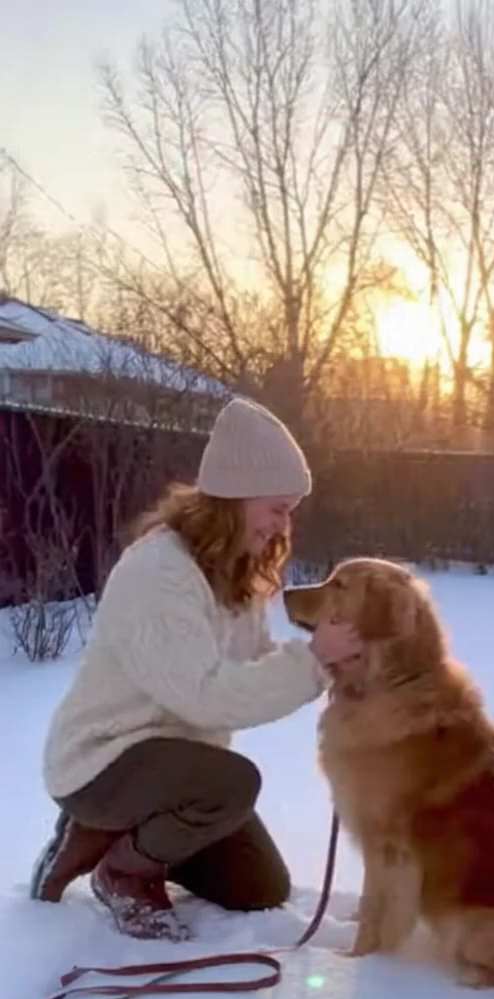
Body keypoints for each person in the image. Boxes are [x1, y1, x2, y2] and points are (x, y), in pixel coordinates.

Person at [30, 396, 360, 941]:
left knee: (259, 887)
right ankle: (121, 869)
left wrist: (327, 666)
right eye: (277, 508)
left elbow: (254, 663)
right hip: (103, 762)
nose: (284, 524)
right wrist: (311, 663)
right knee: (234, 782)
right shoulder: (159, 572)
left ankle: (133, 836)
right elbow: (204, 697)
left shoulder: (233, 570)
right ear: (236, 497)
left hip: (177, 774)